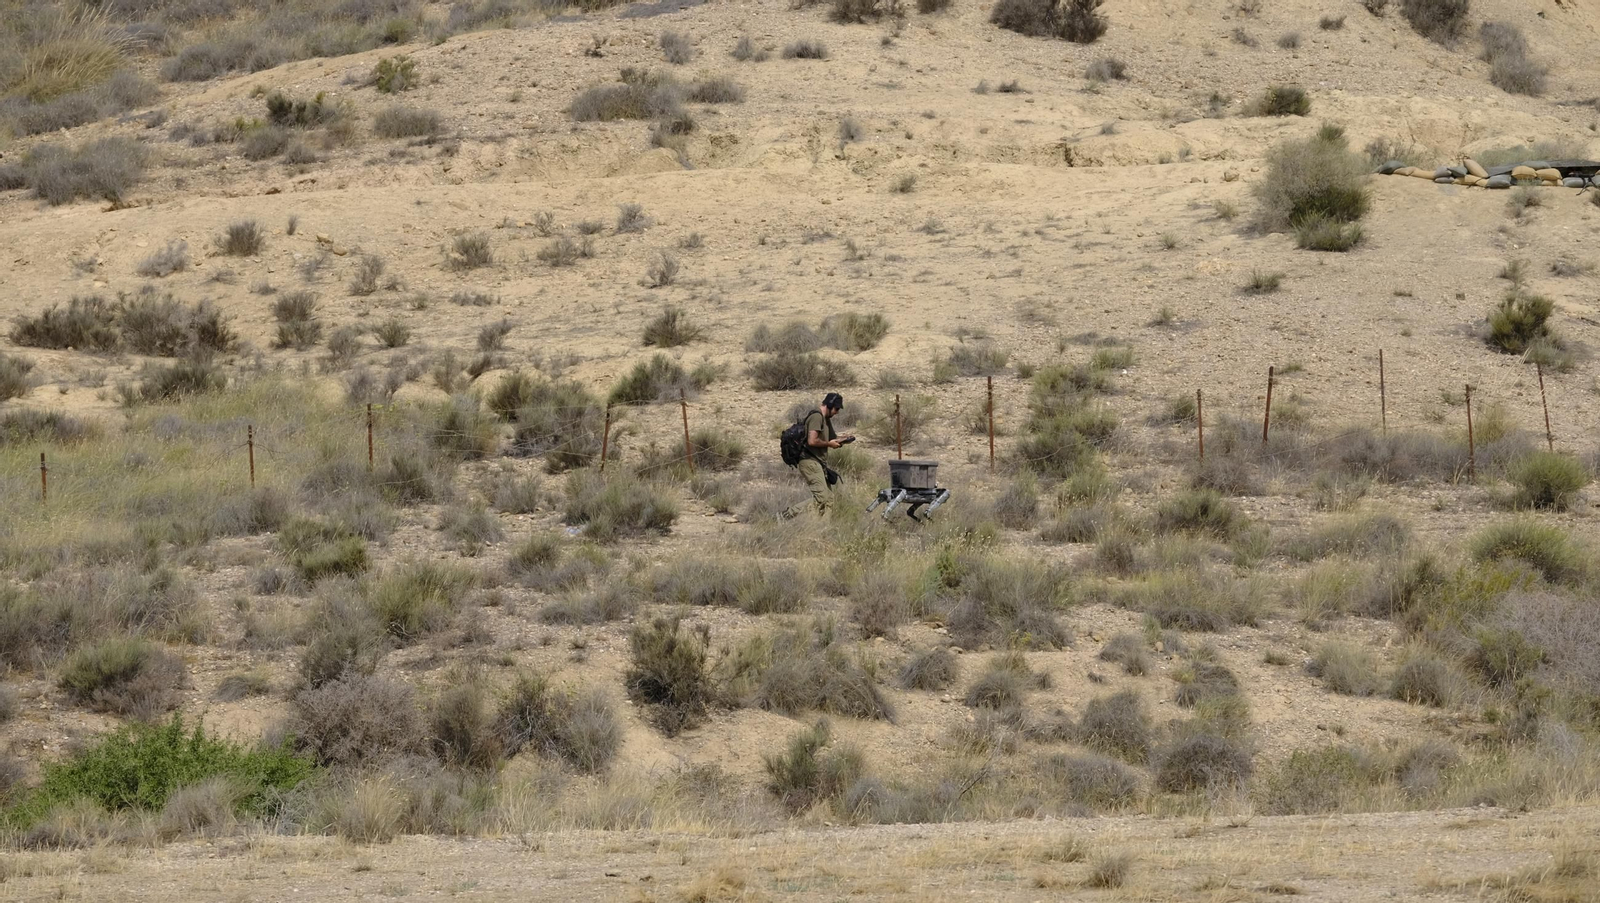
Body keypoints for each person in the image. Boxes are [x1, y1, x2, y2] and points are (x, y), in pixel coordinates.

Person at [784, 392, 854, 518]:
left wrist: (845, 439)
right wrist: (829, 444)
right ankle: (787, 515)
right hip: (809, 461)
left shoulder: (826, 419)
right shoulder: (817, 417)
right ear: (830, 405)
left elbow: (833, 438)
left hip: (818, 463)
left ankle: (822, 528)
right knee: (823, 498)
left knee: (829, 499)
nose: (837, 412)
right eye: (836, 409)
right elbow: (812, 441)